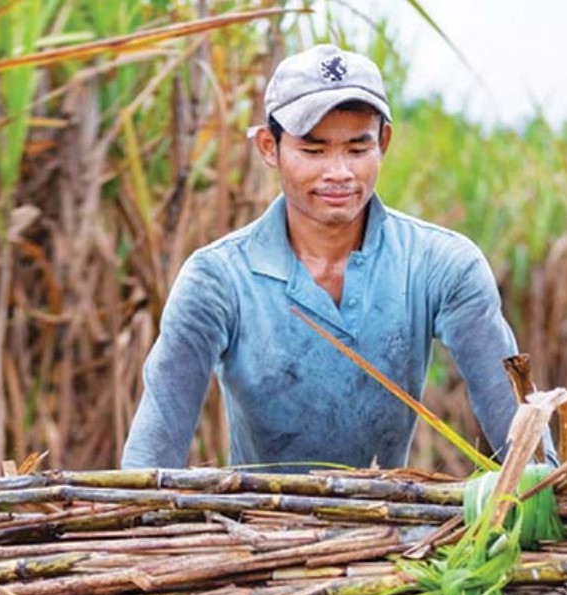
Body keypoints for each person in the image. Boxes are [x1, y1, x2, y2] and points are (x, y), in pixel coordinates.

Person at [122, 43, 528, 471]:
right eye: (313, 151)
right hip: (256, 529)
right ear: (268, 147)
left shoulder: (441, 265)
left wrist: (539, 494)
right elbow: (153, 452)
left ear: (383, 142)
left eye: (357, 149)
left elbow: (517, 431)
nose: (339, 172)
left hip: (390, 527)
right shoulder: (218, 279)